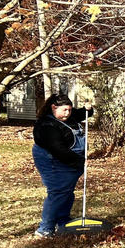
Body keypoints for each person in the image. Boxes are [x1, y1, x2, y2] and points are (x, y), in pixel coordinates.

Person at [31, 94, 93, 237]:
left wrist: (88, 109)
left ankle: (63, 220)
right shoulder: (47, 125)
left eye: (70, 110)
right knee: (58, 192)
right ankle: (45, 228)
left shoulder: (68, 116)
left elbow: (83, 113)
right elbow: (58, 149)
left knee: (67, 191)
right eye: (64, 110)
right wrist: (79, 161)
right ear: (54, 107)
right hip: (52, 159)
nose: (68, 113)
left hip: (70, 159)